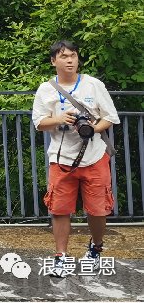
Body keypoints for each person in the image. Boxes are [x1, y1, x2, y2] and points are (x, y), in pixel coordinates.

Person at [32, 40, 119, 276]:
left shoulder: (94, 85)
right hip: (61, 159)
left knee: (98, 210)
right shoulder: (46, 89)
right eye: (63, 56)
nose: (69, 60)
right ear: (53, 61)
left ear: (78, 59)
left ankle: (95, 248)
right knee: (60, 210)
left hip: (94, 156)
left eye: (73, 55)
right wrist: (60, 119)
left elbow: (110, 117)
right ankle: (61, 257)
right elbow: (39, 122)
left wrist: (93, 128)